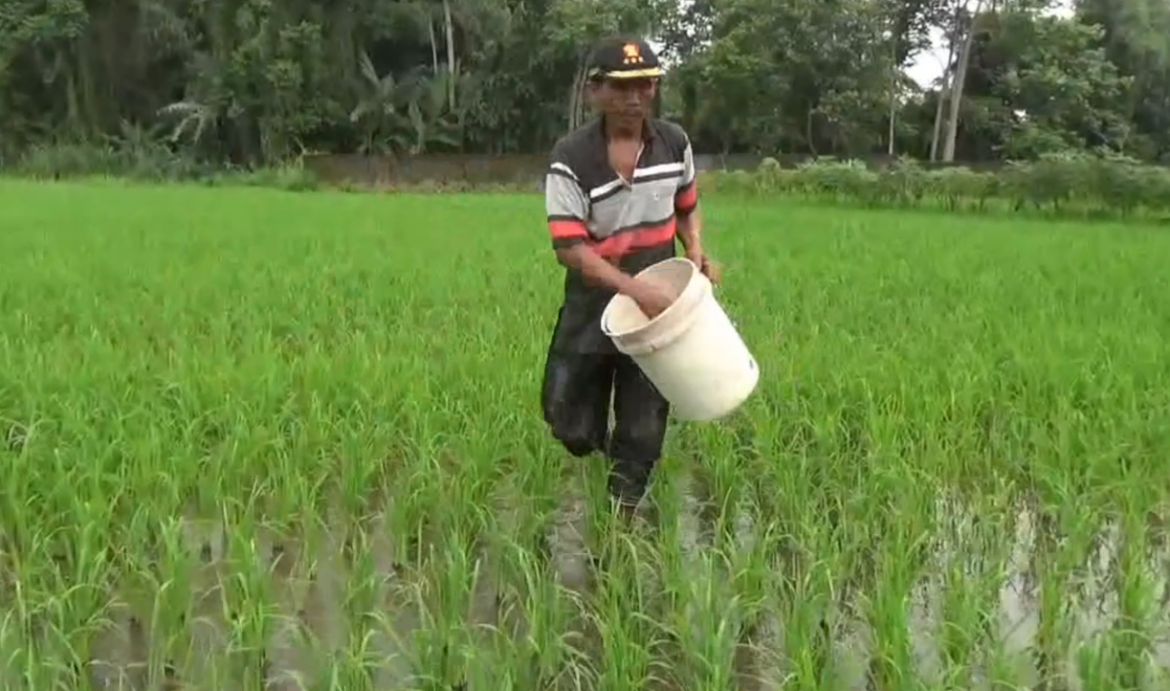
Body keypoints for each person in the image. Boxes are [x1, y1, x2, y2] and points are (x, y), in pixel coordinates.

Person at [540, 36, 720, 521]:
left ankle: (622, 514)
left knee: (643, 427)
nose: (634, 97)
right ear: (593, 92)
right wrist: (633, 288)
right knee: (568, 420)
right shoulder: (571, 157)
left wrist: (697, 250)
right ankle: (601, 453)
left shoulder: (673, 142)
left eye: (644, 85)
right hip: (593, 304)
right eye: (620, 88)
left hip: (658, 306)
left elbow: (687, 207)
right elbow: (570, 248)